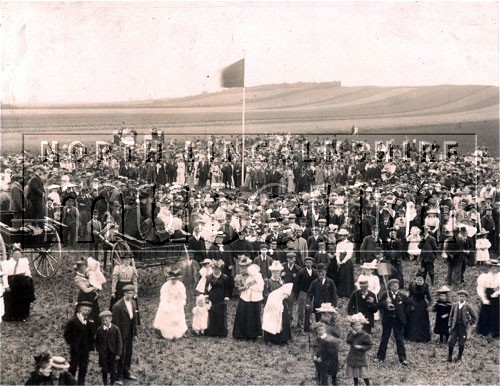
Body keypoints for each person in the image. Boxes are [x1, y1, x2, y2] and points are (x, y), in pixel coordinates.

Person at [376, 278, 411, 365]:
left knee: (399, 339)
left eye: (397, 285)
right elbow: (379, 304)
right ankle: (380, 357)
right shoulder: (385, 294)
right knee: (385, 338)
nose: (395, 287)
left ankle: (403, 359)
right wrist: (386, 303)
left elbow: (409, 304)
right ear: (390, 286)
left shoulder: (402, 296)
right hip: (388, 320)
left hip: (398, 321)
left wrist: (403, 314)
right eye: (393, 286)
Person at [63, 301, 95, 385]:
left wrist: (91, 345)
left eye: (89, 310)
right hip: (76, 348)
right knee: (73, 366)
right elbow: (67, 334)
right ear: (79, 309)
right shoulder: (73, 321)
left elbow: (92, 334)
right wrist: (72, 343)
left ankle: (81, 382)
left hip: (85, 348)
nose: (87, 311)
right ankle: (70, 382)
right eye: (85, 309)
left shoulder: (90, 321)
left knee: (83, 367)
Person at [233, 256, 264, 340]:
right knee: (243, 314)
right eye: (242, 267)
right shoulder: (239, 276)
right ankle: (242, 333)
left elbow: (261, 287)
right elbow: (239, 289)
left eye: (245, 267)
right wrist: (247, 286)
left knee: (254, 314)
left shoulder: (257, 275)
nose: (243, 269)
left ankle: (254, 334)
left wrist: (253, 284)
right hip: (245, 296)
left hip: (255, 297)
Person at [112, 284, 138, 383]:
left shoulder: (133, 303)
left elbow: (134, 320)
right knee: (120, 354)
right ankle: (117, 376)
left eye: (131, 293)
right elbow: (115, 323)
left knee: (128, 353)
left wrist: (135, 333)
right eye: (128, 293)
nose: (130, 295)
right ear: (124, 293)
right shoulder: (118, 306)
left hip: (129, 333)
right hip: (121, 334)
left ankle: (126, 372)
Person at [2, 243, 35, 322]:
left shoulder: (24, 261)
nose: (17, 256)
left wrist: (29, 278)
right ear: (12, 254)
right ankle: (12, 316)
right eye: (15, 254)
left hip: (22, 283)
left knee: (24, 298)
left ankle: (22, 315)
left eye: (18, 254)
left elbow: (28, 272)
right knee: (11, 299)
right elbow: (5, 275)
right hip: (12, 282)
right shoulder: (7, 263)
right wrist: (6, 286)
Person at [153, 269, 188, 340]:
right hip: (168, 302)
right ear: (170, 279)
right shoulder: (165, 286)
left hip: (177, 302)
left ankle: (181, 331)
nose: (174, 281)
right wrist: (166, 304)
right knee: (163, 311)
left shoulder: (181, 285)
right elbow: (163, 296)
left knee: (179, 312)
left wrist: (180, 303)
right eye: (172, 279)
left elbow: (182, 296)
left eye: (175, 279)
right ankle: (162, 331)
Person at [262, 269, 293, 345]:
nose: (276, 274)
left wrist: (283, 296)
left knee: (282, 320)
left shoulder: (282, 282)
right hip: (271, 305)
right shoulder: (268, 282)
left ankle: (282, 339)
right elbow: (265, 293)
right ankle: (270, 339)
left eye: (277, 272)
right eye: (274, 272)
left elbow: (286, 291)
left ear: (280, 273)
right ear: (272, 273)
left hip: (281, 304)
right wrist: (272, 297)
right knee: (270, 320)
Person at [448, 290, 477, 362]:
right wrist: (450, 326)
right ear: (458, 297)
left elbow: (474, 317)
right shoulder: (454, 305)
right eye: (460, 296)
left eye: (463, 296)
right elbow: (451, 316)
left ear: (466, 298)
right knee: (451, 342)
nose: (461, 298)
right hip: (455, 327)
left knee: (461, 343)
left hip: (463, 329)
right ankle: (449, 357)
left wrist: (469, 323)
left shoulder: (468, 306)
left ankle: (459, 357)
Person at [204, 259, 232, 337]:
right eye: (214, 268)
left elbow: (227, 288)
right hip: (212, 297)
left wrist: (226, 296)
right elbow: (206, 288)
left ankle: (221, 332)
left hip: (221, 298)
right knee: (212, 313)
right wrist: (206, 296)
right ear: (212, 269)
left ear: (220, 269)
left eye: (218, 269)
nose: (216, 270)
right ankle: (212, 331)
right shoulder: (209, 277)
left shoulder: (224, 277)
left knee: (221, 313)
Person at [95, 311, 122, 386]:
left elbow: (119, 342)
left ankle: (112, 383)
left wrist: (118, 353)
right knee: (104, 369)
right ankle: (105, 383)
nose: (104, 322)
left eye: (106, 320)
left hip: (112, 352)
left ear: (111, 319)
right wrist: (99, 349)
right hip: (103, 353)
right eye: (102, 320)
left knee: (113, 369)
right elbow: (97, 341)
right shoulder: (100, 330)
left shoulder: (116, 329)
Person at [346, 313, 373, 386]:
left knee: (363, 373)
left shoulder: (365, 335)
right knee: (355, 372)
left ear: (362, 325)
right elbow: (348, 341)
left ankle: (367, 384)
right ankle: (356, 383)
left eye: (358, 325)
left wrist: (361, 347)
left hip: (361, 357)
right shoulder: (351, 333)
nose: (357, 327)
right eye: (355, 325)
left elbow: (370, 345)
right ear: (352, 326)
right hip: (353, 355)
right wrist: (352, 334)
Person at [405, 272, 432, 342]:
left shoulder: (425, 287)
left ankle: (423, 337)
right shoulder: (412, 286)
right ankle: (413, 336)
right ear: (415, 280)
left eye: (421, 280)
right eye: (418, 280)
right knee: (414, 320)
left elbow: (429, 297)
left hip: (422, 305)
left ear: (423, 280)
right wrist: (409, 304)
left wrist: (430, 304)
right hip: (414, 304)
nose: (419, 281)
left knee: (423, 321)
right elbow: (409, 296)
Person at [476, 260, 500, 338]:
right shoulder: (484, 276)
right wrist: (483, 298)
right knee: (485, 312)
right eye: (493, 267)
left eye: (497, 268)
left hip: (496, 297)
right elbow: (481, 288)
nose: (495, 269)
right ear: (490, 268)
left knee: (495, 313)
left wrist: (496, 293)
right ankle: (483, 331)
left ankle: (495, 332)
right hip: (487, 294)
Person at [73, 258, 100, 327]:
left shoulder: (87, 275)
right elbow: (85, 290)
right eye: (84, 267)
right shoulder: (78, 278)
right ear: (80, 269)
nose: (86, 269)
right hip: (84, 297)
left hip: (91, 296)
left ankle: (94, 325)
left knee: (94, 310)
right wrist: (95, 287)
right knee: (85, 310)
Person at [294, 256, 318, 331]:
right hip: (303, 293)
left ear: (312, 263)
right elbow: (296, 284)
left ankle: (307, 326)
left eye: (310, 263)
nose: (308, 264)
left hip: (311, 294)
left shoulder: (315, 272)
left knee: (309, 310)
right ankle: (300, 327)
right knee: (301, 311)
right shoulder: (301, 272)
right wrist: (297, 294)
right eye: (307, 262)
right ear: (304, 263)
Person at [312, 322, 340, 386]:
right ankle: (320, 382)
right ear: (316, 331)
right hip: (320, 358)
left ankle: (332, 382)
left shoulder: (328, 339)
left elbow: (331, 351)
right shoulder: (317, 338)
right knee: (319, 372)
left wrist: (322, 357)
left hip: (329, 358)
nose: (320, 331)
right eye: (318, 330)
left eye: (322, 329)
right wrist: (315, 355)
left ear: (325, 330)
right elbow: (315, 347)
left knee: (329, 373)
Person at [335, 229, 355, 298]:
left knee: (347, 276)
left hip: (347, 262)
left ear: (346, 236)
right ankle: (340, 292)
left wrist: (343, 261)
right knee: (340, 276)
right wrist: (338, 261)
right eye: (341, 236)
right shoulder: (339, 244)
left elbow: (349, 254)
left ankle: (347, 293)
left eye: (343, 236)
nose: (342, 237)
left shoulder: (350, 244)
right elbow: (337, 253)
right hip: (340, 260)